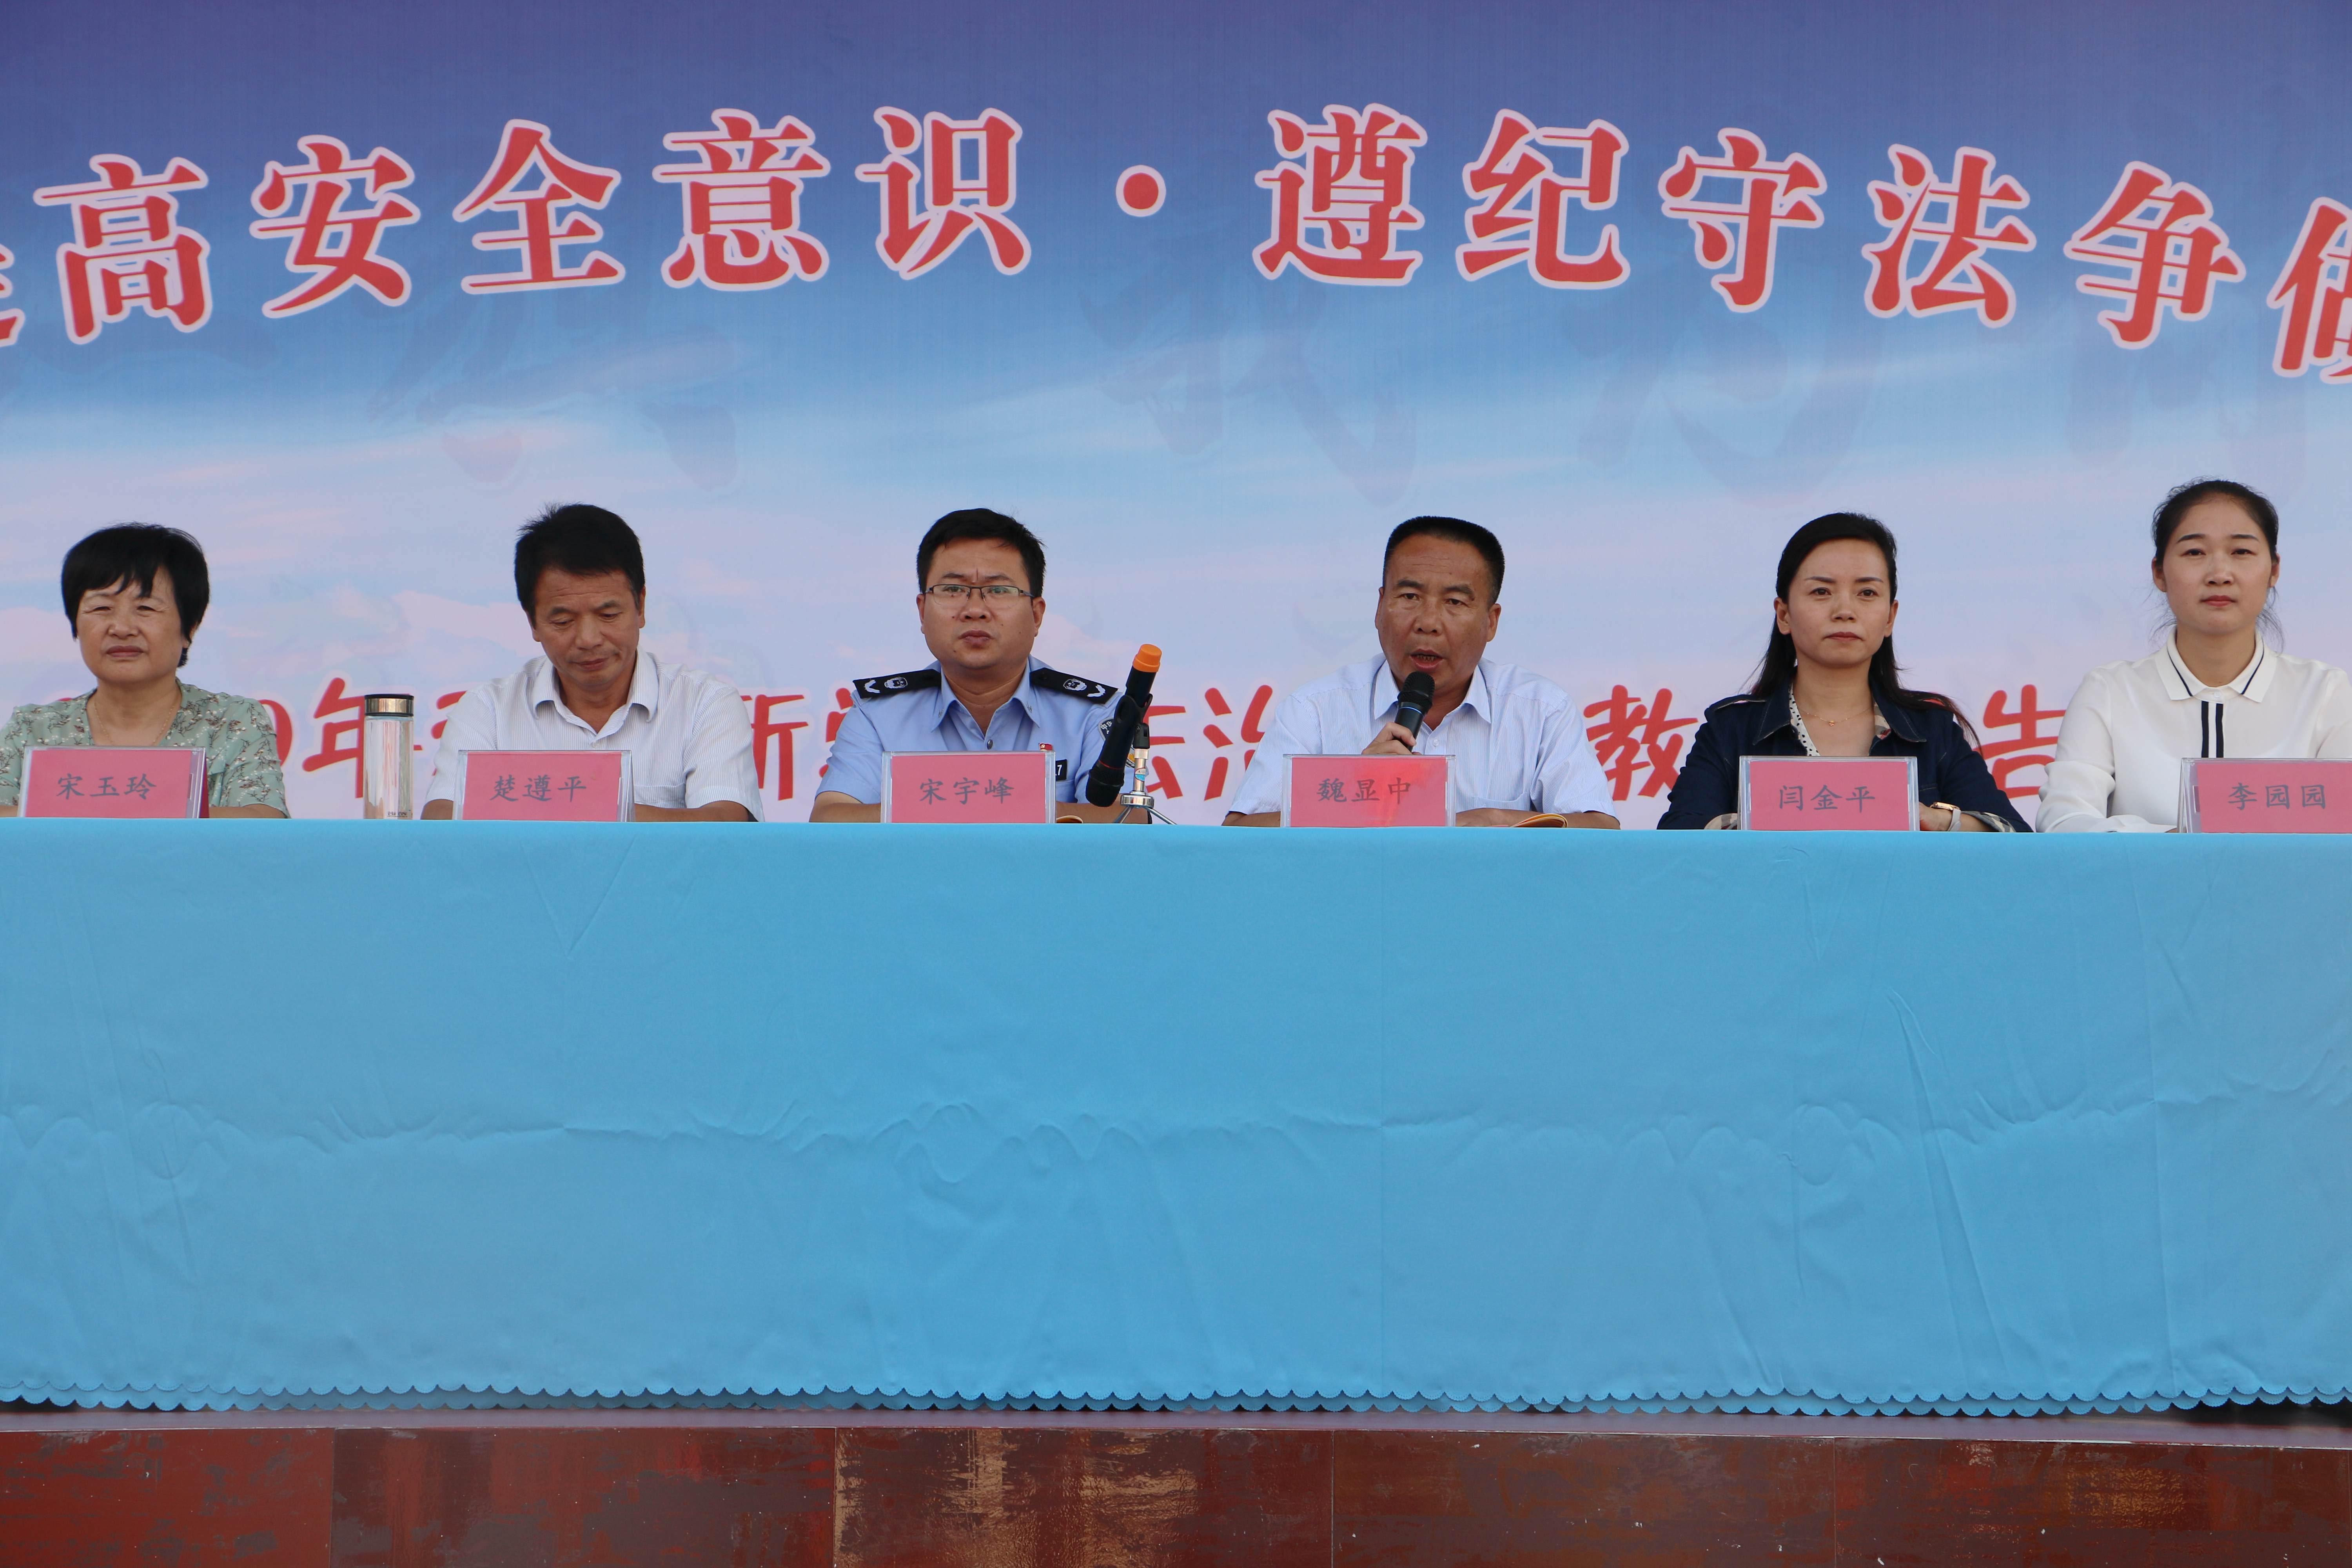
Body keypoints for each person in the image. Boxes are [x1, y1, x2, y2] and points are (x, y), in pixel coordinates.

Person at [1223, 517, 1617, 827]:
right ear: (1380, 608)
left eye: (1455, 602)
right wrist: (1355, 795)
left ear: (1491, 622)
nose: (1428, 623)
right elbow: (1240, 833)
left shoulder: (1541, 710)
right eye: (1410, 596)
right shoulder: (1314, 710)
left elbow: (1600, 829)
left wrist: (1495, 820)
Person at [1659, 512, 2026, 831]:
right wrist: (1771, 819)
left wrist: (1934, 820)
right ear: (1784, 615)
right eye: (1822, 592)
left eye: (1867, 593)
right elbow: (1678, 843)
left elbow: (2013, 838)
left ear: (1890, 617)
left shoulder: (1931, 732)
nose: (1845, 611)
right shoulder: (1731, 731)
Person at [2038, 479, 2352, 832]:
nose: (2220, 574)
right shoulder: (2110, 691)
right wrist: (2180, 844)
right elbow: (2063, 820)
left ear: (2274, 570)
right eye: (2195, 553)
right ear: (2159, 572)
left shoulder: (2324, 692)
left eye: (2241, 552)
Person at [422, 504, 760, 821]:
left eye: (608, 615)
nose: (588, 639)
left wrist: (556, 808)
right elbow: (441, 816)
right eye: (563, 621)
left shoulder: (705, 703)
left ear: (641, 606)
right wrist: (600, 811)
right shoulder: (489, 710)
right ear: (533, 622)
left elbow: (725, 823)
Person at [811, 508, 1130, 822]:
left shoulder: (1094, 713)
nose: (975, 610)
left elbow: (1127, 819)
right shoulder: (878, 714)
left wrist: (950, 807)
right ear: (922, 612)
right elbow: (831, 818)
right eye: (953, 590)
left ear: (1036, 615)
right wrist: (1009, 808)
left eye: (999, 590)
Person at [0, 524, 287, 818]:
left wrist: (91, 814)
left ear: (189, 628)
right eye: (101, 609)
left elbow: (264, 821)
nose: (122, 628)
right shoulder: (34, 728)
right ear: (76, 625)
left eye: (146, 608)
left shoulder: (232, 721)